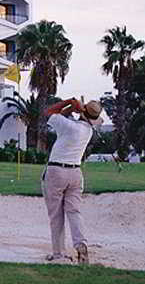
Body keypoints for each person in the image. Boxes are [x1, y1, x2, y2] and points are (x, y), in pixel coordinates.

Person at [41, 97, 103, 264]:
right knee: (74, 212)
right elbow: (63, 118)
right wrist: (77, 109)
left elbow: (50, 112)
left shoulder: (69, 126)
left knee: (56, 215)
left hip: (56, 171)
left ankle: (59, 254)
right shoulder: (87, 130)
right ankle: (81, 243)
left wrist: (69, 103)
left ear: (82, 112)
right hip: (75, 173)